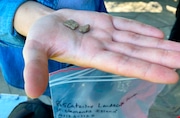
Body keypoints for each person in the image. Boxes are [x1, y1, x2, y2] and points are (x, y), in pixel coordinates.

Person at [1, 0, 180, 99]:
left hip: (97, 60)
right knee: (46, 100)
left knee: (96, 97)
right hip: (41, 75)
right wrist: (22, 15)